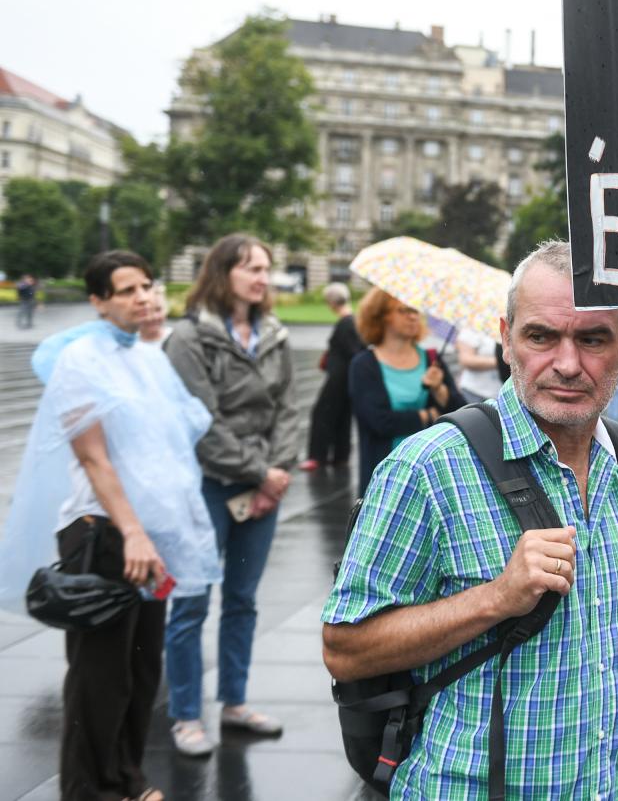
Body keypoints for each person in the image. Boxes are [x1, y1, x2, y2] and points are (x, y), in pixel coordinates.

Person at [321, 240, 618, 798]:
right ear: (507, 338)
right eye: (541, 336)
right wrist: (497, 597)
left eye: (592, 339)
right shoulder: (428, 468)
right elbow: (344, 646)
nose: (567, 363)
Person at [0, 251, 219, 801]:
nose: (143, 297)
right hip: (103, 533)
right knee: (100, 675)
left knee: (143, 670)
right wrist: (134, 534)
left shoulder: (146, 356)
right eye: (126, 290)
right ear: (98, 301)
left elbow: (173, 440)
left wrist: (164, 530)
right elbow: (95, 460)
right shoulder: (81, 360)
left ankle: (127, 777)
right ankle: (85, 788)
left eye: (147, 285)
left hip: (153, 535)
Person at [163, 233, 303, 755]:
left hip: (263, 487)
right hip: (205, 485)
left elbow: (289, 408)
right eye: (251, 268)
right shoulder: (189, 338)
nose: (263, 277)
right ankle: (183, 714)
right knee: (192, 601)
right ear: (223, 273)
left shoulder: (275, 333)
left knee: (242, 600)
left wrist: (278, 471)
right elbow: (200, 421)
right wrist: (260, 471)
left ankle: (235, 703)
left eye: (266, 268)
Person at [348, 289, 468, 496]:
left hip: (432, 472)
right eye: (404, 310)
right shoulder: (364, 364)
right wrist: (429, 415)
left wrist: (438, 388)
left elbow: (461, 413)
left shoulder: (432, 360)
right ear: (381, 316)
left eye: (415, 310)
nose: (413, 316)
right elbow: (379, 422)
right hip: (385, 473)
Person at [303, 282, 365, 470]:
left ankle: (317, 456)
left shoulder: (345, 323)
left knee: (322, 413)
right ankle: (340, 455)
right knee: (342, 416)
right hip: (347, 379)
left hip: (339, 378)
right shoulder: (352, 321)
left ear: (331, 301)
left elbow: (352, 351)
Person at [454, 327, 504, 405]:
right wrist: (501, 361)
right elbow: (466, 360)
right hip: (474, 392)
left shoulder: (503, 328)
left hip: (498, 394)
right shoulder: (470, 329)